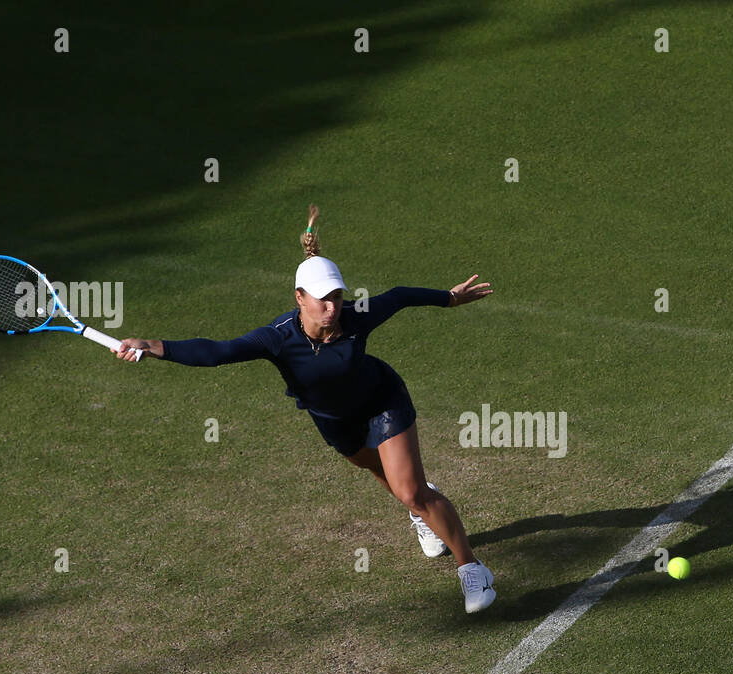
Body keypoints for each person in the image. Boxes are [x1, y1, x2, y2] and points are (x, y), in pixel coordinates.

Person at [115, 205, 497, 613]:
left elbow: (399, 296)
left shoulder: (354, 317)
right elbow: (217, 351)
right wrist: (152, 346)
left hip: (383, 402)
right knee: (378, 471)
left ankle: (473, 571)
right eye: (322, 301)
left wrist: (449, 299)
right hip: (334, 421)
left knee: (411, 490)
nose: (332, 308)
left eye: (337, 297)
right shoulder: (276, 338)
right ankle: (421, 513)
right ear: (299, 298)